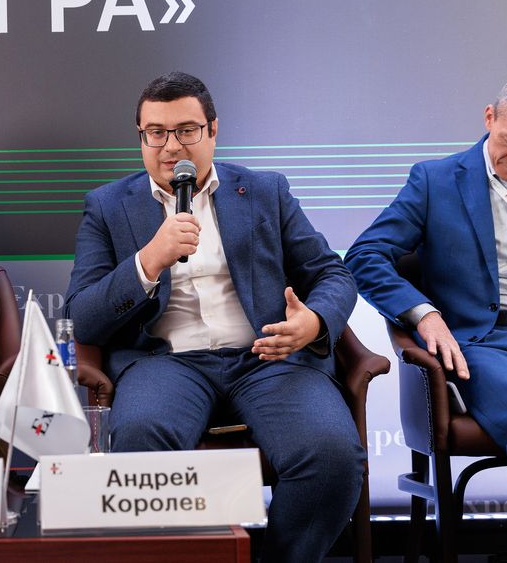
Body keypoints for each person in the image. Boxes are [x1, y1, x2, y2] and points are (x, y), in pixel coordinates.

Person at [65, 72, 364, 562]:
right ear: (140, 136)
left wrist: (313, 323)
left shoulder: (265, 191)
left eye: (186, 130)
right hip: (166, 364)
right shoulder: (107, 206)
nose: (170, 146)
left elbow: (333, 273)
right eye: (155, 133)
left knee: (332, 458)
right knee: (138, 444)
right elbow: (82, 316)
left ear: (213, 130)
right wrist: (148, 261)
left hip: (267, 358)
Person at [345, 72, 507, 561]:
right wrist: (424, 315)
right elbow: (365, 256)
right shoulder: (435, 181)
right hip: (485, 345)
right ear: (489, 118)